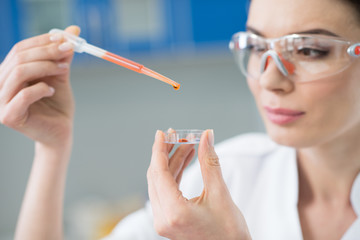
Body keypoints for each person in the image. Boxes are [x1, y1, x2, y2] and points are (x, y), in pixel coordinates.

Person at [1, 0, 360, 239]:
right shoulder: (230, 177)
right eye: (257, 47)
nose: (268, 79)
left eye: (311, 50)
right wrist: (51, 147)